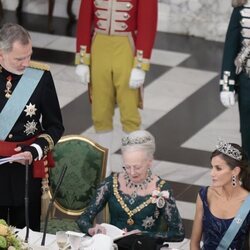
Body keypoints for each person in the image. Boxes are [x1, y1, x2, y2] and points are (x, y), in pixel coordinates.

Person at [75, 0, 158, 175]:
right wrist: (83, 58)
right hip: (99, 45)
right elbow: (84, 18)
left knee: (129, 112)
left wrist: (140, 65)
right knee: (100, 110)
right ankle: (104, 167)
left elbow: (148, 23)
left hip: (126, 47)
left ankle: (133, 168)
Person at [0, 23, 64, 231]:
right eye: (19, 58)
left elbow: (55, 126)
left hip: (26, 171)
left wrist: (34, 150)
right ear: (2, 53)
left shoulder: (40, 77)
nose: (26, 63)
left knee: (27, 234)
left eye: (29, 56)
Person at [77, 130, 185, 250]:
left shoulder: (162, 189)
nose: (132, 173)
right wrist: (92, 229)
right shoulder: (111, 183)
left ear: (149, 162)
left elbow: (178, 233)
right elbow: (84, 218)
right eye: (127, 167)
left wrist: (143, 235)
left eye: (137, 167)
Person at [190, 140, 250, 249]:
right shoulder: (205, 196)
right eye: (212, 167)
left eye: (218, 168)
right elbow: (194, 243)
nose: (211, 173)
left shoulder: (248, 203)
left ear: (235, 171)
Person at [219, 0, 250, 161]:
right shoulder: (242, 8)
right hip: (247, 83)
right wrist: (226, 85)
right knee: (248, 135)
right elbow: (231, 47)